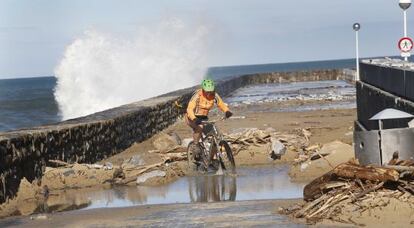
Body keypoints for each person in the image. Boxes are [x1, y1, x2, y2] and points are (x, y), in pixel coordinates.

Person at [186, 78, 233, 152]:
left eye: (210, 91)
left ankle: (213, 159)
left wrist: (227, 111)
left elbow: (221, 104)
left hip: (204, 118)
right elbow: (189, 109)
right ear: (203, 89)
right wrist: (194, 118)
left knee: (214, 137)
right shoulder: (197, 95)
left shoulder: (214, 95)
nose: (209, 93)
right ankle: (195, 145)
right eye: (207, 91)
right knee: (200, 127)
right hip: (191, 118)